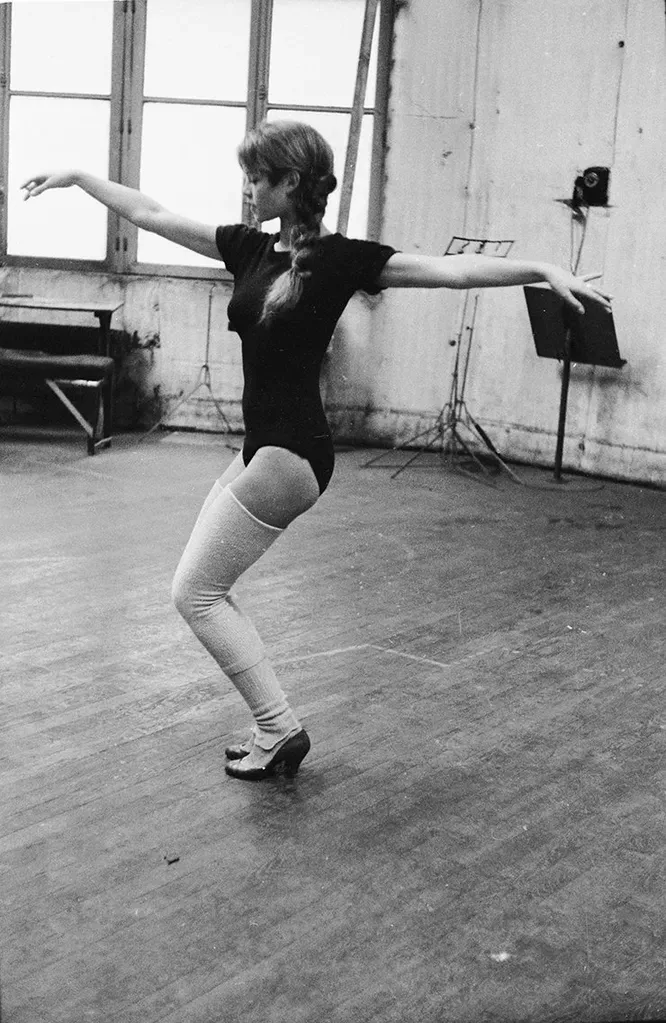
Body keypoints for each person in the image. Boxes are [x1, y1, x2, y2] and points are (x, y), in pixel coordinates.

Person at [21, 120, 612, 781]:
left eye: (257, 178)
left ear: (291, 182)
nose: (248, 189)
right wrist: (81, 178)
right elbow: (151, 213)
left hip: (292, 452)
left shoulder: (341, 260)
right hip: (264, 447)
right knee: (203, 587)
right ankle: (274, 726)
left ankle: (278, 728)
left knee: (196, 594)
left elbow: (449, 270)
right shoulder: (248, 248)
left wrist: (541, 268)